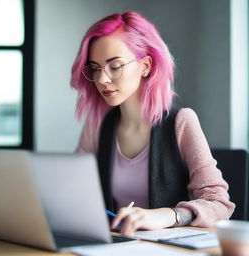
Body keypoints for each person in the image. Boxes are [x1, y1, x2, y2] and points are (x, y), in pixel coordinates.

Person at [70, 11, 235, 237]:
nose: (101, 79)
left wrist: (168, 215)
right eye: (95, 68)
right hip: (115, 244)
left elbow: (219, 204)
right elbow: (74, 189)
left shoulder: (181, 121)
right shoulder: (97, 125)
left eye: (114, 66)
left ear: (146, 65)